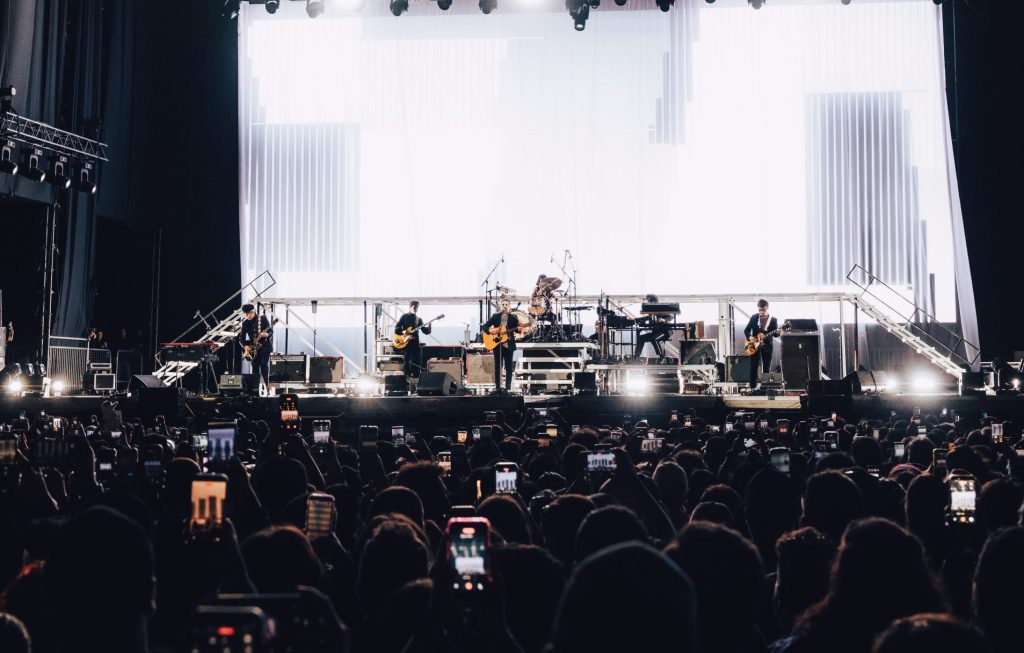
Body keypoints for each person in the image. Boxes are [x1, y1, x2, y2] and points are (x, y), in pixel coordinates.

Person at [484, 298, 520, 394]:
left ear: (509, 306)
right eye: (503, 304)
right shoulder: (495, 316)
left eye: (506, 304)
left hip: (509, 345)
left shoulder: (513, 318)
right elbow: (485, 327)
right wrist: (490, 330)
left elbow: (517, 330)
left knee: (509, 368)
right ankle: (498, 388)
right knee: (498, 367)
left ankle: (508, 388)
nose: (504, 306)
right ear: (500, 306)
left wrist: (521, 329)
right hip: (497, 345)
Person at [394, 300, 432, 382]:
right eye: (414, 307)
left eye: (417, 307)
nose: (416, 309)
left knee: (417, 360)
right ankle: (406, 378)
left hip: (415, 343)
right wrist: (404, 332)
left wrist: (429, 327)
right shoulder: (404, 317)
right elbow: (397, 329)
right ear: (410, 306)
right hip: (406, 343)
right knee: (407, 360)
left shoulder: (419, 319)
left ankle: (416, 378)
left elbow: (425, 331)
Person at [744, 299, 778, 388]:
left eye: (764, 310)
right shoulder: (754, 317)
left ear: (768, 308)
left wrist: (778, 332)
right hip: (753, 344)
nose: (761, 312)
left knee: (766, 368)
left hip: (767, 346)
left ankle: (765, 388)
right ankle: (752, 388)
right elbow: (746, 330)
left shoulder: (773, 320)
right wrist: (750, 337)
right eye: (760, 310)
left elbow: (775, 335)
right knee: (753, 367)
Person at [240, 303, 273, 395]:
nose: (248, 316)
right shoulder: (245, 323)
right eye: (246, 314)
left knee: (263, 366)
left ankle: (267, 388)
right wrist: (245, 347)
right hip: (253, 349)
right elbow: (241, 338)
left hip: (265, 347)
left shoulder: (262, 318)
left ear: (253, 311)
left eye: (249, 314)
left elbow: (270, 331)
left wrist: (267, 334)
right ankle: (256, 389)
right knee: (254, 368)